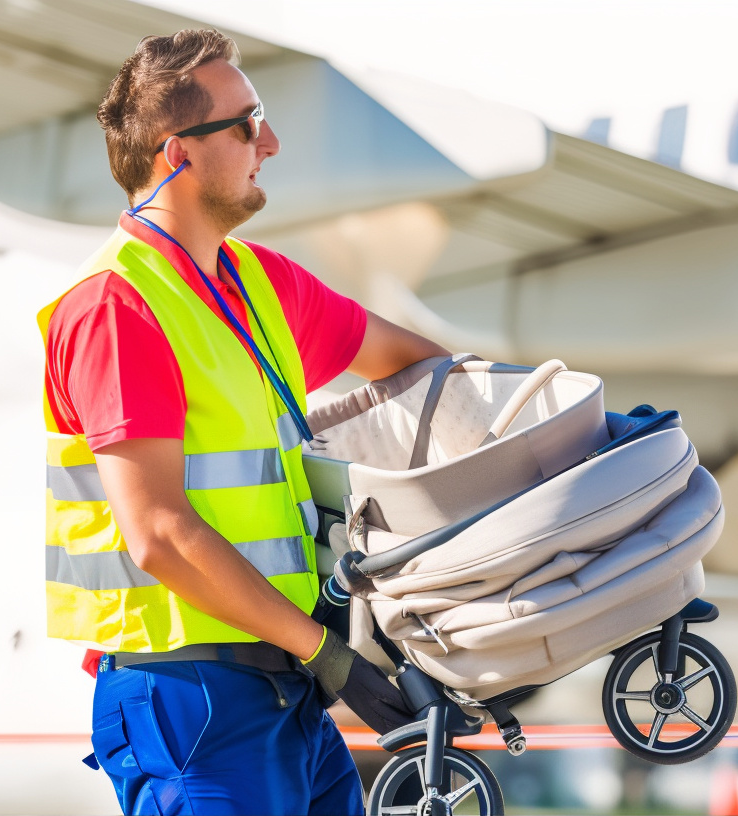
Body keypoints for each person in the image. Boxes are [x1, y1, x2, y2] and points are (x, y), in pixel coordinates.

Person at [38, 28, 450, 815]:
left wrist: (550, 437)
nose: (272, 142)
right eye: (247, 122)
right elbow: (159, 534)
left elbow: (424, 369)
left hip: (287, 682)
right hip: (190, 695)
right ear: (177, 154)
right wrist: (330, 653)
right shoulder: (115, 308)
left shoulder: (262, 284)